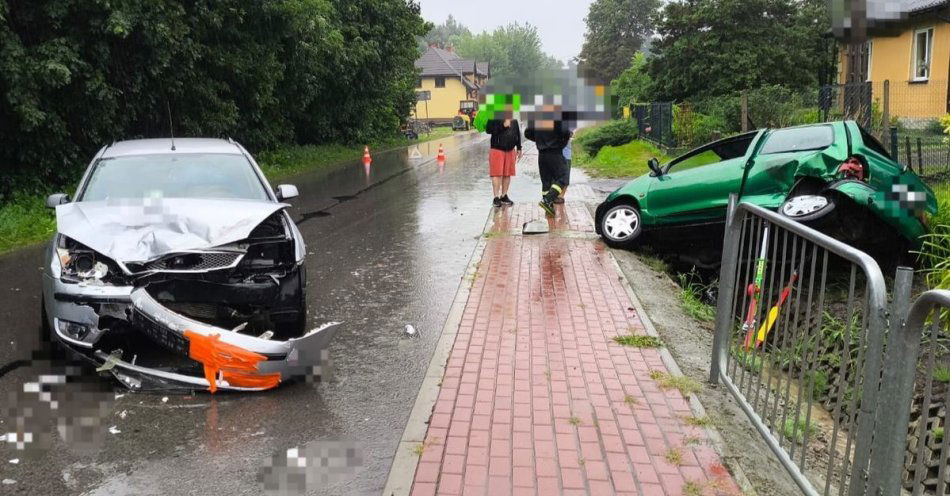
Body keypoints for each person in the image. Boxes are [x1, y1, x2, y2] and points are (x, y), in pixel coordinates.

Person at [524, 118, 571, 216]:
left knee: (546, 182)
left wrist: (539, 140)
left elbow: (527, 133)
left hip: (542, 154)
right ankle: (547, 200)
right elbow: (565, 133)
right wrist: (561, 143)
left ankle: (548, 208)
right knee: (563, 178)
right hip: (555, 152)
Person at [485, 117, 522, 207]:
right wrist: (503, 125)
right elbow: (488, 130)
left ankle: (504, 195)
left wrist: (519, 147)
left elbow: (517, 133)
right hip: (497, 149)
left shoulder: (514, 118)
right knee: (497, 174)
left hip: (510, 150)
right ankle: (496, 197)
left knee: (507, 174)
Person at [557, 130, 574, 204]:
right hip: (556, 154)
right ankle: (557, 195)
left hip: (566, 154)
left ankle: (561, 196)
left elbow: (570, 133)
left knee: (566, 176)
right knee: (557, 176)